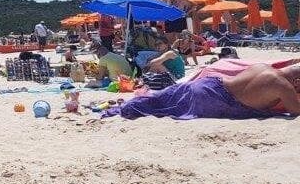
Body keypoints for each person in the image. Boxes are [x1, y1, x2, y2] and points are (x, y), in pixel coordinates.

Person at [113, 63, 300, 119]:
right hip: (214, 100)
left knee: (160, 100)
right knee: (162, 108)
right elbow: (296, 110)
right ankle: (126, 108)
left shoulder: (263, 66)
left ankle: (124, 106)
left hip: (210, 84)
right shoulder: (282, 85)